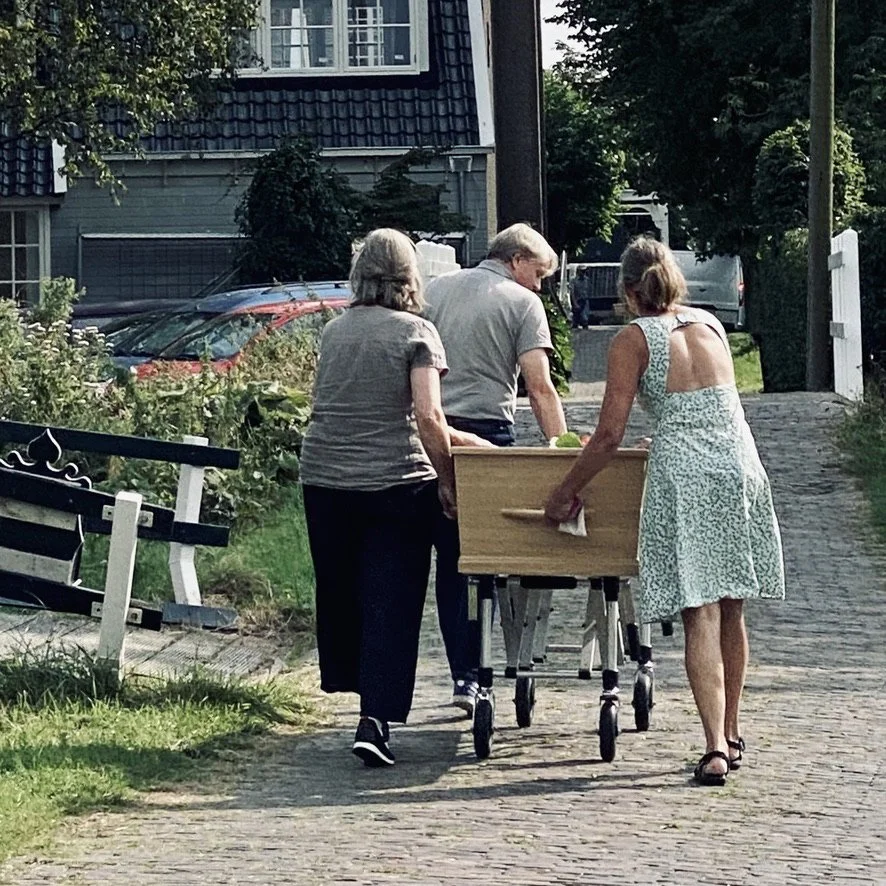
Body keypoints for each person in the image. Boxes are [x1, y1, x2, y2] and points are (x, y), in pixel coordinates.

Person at [544, 235, 785, 786]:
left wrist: (566, 490)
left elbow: (607, 436)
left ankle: (714, 748)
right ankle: (733, 729)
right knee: (732, 607)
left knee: (697, 607)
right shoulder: (710, 324)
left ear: (629, 291)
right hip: (739, 463)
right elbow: (705, 407)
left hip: (687, 475)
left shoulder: (633, 338)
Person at [299, 228, 456, 768]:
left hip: (323, 478)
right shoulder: (418, 333)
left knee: (344, 591)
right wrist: (449, 478)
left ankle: (353, 688)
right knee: (392, 597)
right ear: (412, 277)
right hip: (395, 481)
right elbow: (429, 416)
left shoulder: (334, 332)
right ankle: (376, 715)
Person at [424, 222, 568, 713]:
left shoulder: (436, 290)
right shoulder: (523, 304)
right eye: (540, 274)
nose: (540, 284)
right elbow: (540, 387)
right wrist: (560, 449)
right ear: (517, 260)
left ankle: (464, 674)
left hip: (433, 433)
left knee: (453, 561)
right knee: (493, 558)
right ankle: (501, 662)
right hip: (487, 435)